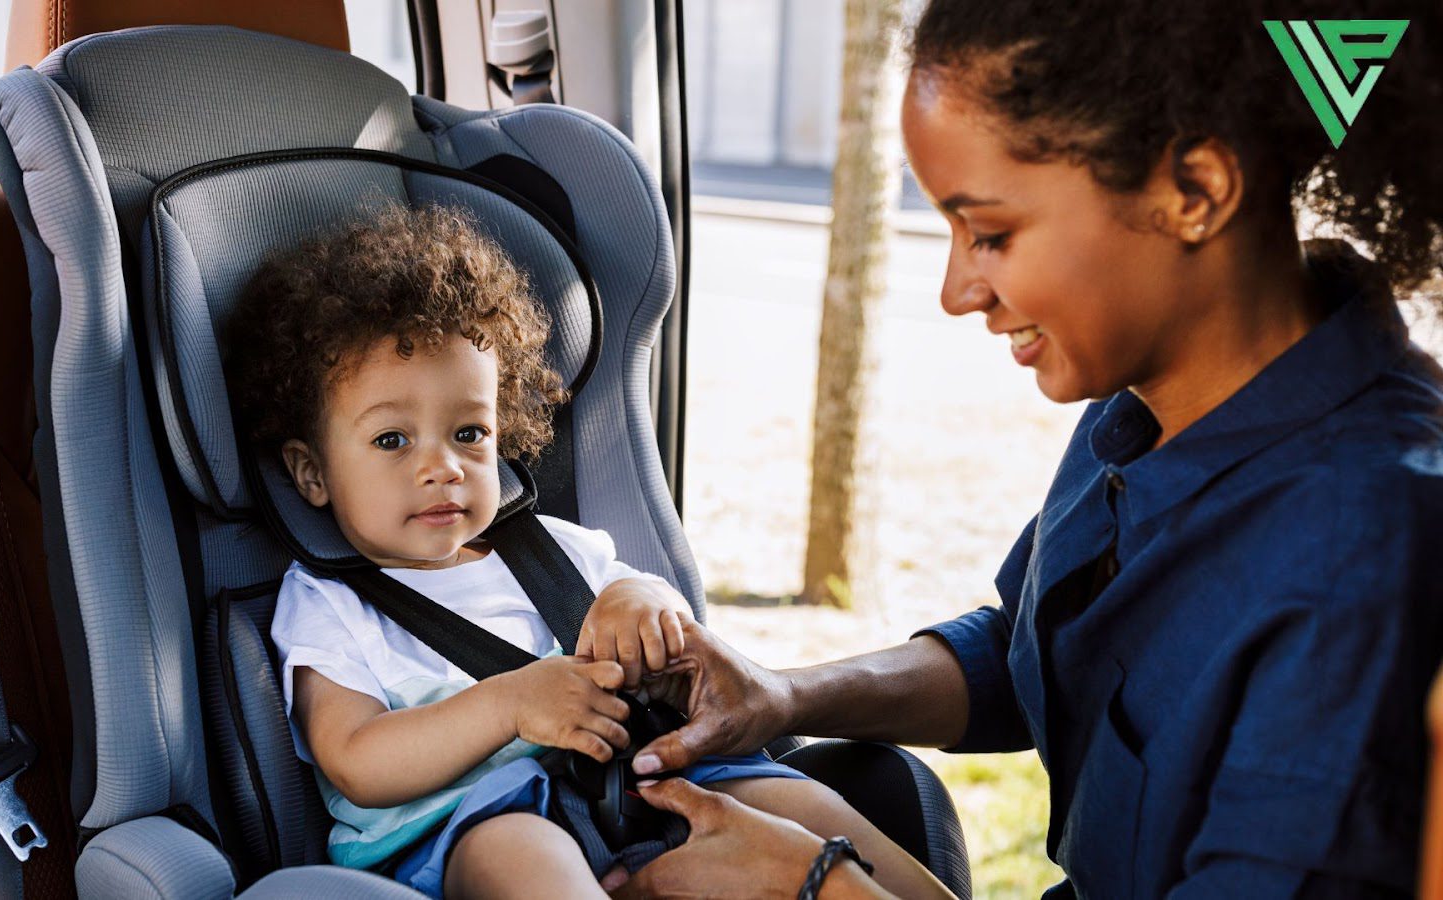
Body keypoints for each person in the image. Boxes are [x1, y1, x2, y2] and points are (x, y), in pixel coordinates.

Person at [617, 1, 1443, 897]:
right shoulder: (1144, 403)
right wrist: (783, 695)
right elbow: (1033, 653)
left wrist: (815, 882)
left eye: (991, 234)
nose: (956, 291)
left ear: (1195, 193)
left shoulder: (1363, 549)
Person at [223, 205, 951, 899]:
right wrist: (511, 704)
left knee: (800, 805)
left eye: (470, 433)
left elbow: (659, 611)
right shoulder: (329, 605)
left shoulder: (557, 552)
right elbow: (355, 759)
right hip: (469, 819)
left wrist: (643, 602)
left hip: (641, 777)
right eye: (392, 440)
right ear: (311, 473)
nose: (442, 467)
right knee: (518, 851)